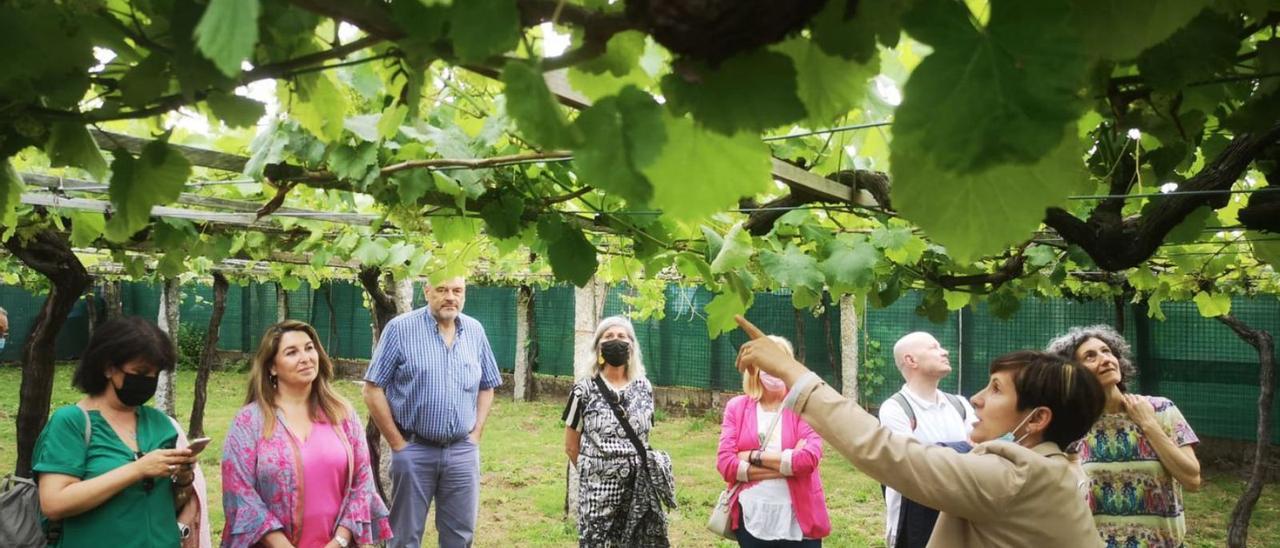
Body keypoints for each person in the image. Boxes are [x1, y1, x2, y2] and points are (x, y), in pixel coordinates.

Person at [734, 315, 1107, 547]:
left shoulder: (1018, 475)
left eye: (995, 389)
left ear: (1038, 418)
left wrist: (791, 371)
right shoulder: (1054, 469)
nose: (976, 399)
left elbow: (884, 450)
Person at [32, 316, 207, 548]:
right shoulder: (72, 422)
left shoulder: (160, 424)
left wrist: (183, 481)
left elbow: (166, 504)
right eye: (140, 372)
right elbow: (53, 504)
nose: (148, 381)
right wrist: (137, 470)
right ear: (108, 367)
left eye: (155, 374)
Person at [221, 320, 392, 548]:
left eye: (309, 348)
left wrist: (340, 540)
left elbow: (362, 483)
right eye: (292, 352)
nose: (305, 358)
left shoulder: (342, 414)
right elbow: (239, 492)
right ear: (272, 366)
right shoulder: (249, 422)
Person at [363, 277, 503, 548]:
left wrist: (475, 435)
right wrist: (397, 444)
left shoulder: (475, 331)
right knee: (404, 537)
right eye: (442, 290)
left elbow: (488, 385)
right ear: (426, 292)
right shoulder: (401, 329)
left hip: (462, 451)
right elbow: (372, 389)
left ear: (464, 294)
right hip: (414, 450)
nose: (450, 297)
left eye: (457, 290)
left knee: (460, 536)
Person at [1047, 325, 1201, 548]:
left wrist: (1148, 424)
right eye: (1090, 356)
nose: (1105, 359)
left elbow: (1192, 479)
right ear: (1073, 371)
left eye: (1106, 351)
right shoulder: (1073, 427)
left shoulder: (1161, 409)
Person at [562, 316, 670, 547]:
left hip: (638, 487)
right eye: (608, 336)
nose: (616, 340)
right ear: (598, 346)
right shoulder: (584, 390)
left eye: (622, 336)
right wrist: (596, 472)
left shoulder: (644, 387)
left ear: (631, 345)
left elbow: (644, 436)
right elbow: (571, 446)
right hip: (598, 490)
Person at [716, 335, 830, 547]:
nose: (772, 368)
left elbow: (808, 460)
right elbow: (725, 465)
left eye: (778, 361)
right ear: (755, 368)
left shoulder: (805, 406)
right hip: (753, 517)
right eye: (766, 362)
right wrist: (787, 465)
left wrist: (751, 456)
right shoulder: (737, 407)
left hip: (800, 519)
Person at [878, 332, 975, 548]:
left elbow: (982, 451)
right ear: (911, 360)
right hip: (915, 522)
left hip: (960, 516)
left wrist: (932, 451)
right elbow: (913, 463)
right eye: (934, 347)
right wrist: (964, 449)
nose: (944, 352)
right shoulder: (894, 408)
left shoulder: (959, 404)